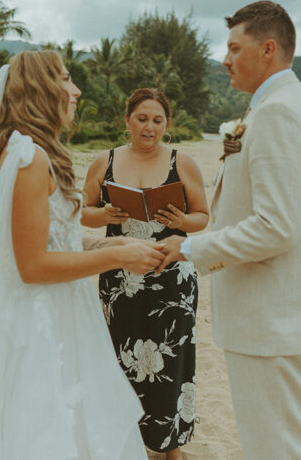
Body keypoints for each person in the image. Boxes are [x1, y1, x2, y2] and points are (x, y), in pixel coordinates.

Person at [0, 50, 164, 459]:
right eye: (67, 79)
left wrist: (117, 244)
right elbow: (32, 266)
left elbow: (57, 241)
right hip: (36, 325)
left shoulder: (40, 153)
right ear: (41, 88)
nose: (76, 90)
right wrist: (118, 259)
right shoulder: (28, 158)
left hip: (64, 316)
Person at [158, 1, 301, 459]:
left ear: (268, 49)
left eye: (234, 48)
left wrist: (193, 248)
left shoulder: (279, 113)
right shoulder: (291, 104)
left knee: (276, 451)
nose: (225, 59)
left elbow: (277, 228)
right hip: (281, 316)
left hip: (274, 321)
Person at [81, 89, 209, 460]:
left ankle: (171, 449)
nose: (149, 127)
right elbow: (83, 210)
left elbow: (203, 217)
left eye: (157, 120)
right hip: (122, 279)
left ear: (167, 124)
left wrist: (182, 221)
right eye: (141, 119)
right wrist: (105, 216)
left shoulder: (182, 162)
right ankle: (130, 444)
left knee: (175, 358)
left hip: (173, 276)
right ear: (127, 121)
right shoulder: (103, 161)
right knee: (122, 358)